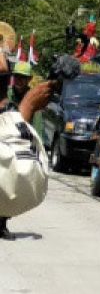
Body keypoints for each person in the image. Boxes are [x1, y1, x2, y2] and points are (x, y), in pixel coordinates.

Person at [0, 51, 52, 241]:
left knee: (13, 182)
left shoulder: (33, 97)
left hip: (24, 141)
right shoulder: (10, 98)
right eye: (17, 78)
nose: (20, 82)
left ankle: (2, 223)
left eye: (24, 78)